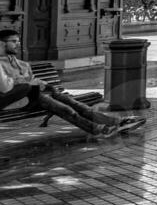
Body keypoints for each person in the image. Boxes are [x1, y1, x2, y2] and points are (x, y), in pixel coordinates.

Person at [0, 29, 140, 138]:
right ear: (2, 43)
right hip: (19, 100)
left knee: (75, 104)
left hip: (37, 94)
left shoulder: (22, 64)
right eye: (13, 41)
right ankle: (100, 129)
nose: (17, 44)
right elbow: (9, 88)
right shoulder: (1, 64)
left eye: (18, 41)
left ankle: (117, 123)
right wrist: (27, 81)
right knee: (67, 109)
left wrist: (44, 84)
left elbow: (33, 80)